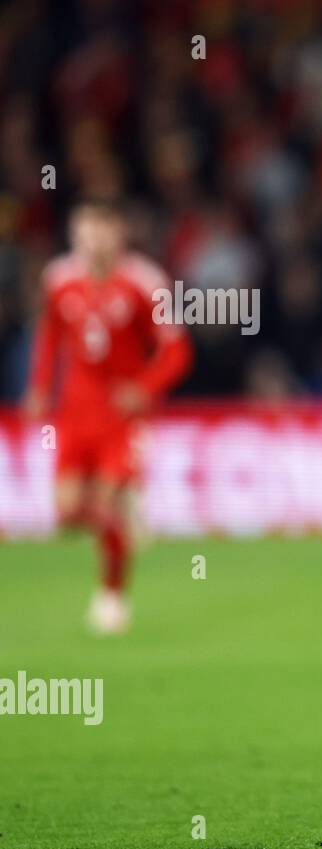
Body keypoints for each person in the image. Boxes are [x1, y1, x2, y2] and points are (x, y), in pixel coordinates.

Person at [24, 200, 193, 635]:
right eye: (83, 231)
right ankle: (127, 516)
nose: (91, 240)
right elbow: (49, 338)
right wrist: (41, 387)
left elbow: (176, 350)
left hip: (122, 416)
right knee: (66, 516)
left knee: (103, 502)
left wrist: (144, 388)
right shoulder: (59, 280)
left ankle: (111, 597)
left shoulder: (144, 282)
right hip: (76, 413)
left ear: (118, 233)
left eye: (100, 230)